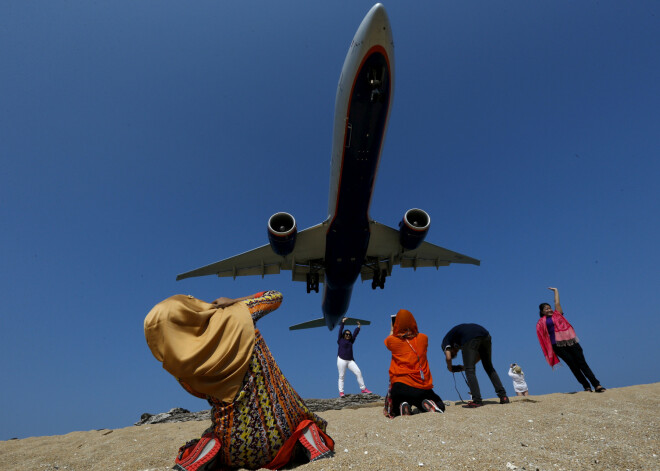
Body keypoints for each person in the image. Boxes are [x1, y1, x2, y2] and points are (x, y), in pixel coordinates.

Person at [144, 290, 334, 470]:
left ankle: (197, 460)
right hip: (283, 432)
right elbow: (275, 296)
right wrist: (235, 301)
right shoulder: (239, 314)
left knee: (211, 437)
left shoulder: (181, 368)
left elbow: (200, 393)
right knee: (305, 424)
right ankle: (315, 447)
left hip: (234, 447)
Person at [537, 287, 605, 393]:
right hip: (557, 346)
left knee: (582, 363)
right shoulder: (541, 323)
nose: (549, 309)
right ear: (542, 312)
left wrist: (556, 291)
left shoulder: (557, 314)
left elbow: (557, 302)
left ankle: (597, 385)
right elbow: (543, 338)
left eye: (549, 307)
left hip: (571, 341)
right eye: (546, 309)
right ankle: (586, 386)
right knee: (573, 366)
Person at [383, 309, 445, 417]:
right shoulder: (423, 338)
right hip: (421, 387)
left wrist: (393, 327)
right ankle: (425, 403)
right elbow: (416, 334)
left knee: (397, 404)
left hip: (399, 386)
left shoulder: (392, 341)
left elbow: (391, 336)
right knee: (440, 404)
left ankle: (403, 404)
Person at [442, 323, 510, 407]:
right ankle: (503, 396)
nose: (456, 352)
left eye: (454, 352)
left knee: (470, 371)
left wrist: (450, 368)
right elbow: (479, 356)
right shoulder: (456, 336)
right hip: (485, 335)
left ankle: (477, 401)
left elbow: (448, 358)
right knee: (488, 366)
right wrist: (465, 366)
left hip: (470, 337)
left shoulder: (445, 341)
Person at [337, 317, 372, 397]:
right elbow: (340, 331)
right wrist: (342, 322)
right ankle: (341, 392)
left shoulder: (351, 341)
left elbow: (355, 335)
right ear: (344, 335)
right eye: (346, 334)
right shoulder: (340, 340)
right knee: (341, 376)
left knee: (358, 372)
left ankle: (363, 389)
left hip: (350, 360)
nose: (348, 335)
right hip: (341, 359)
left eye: (349, 334)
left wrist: (358, 327)